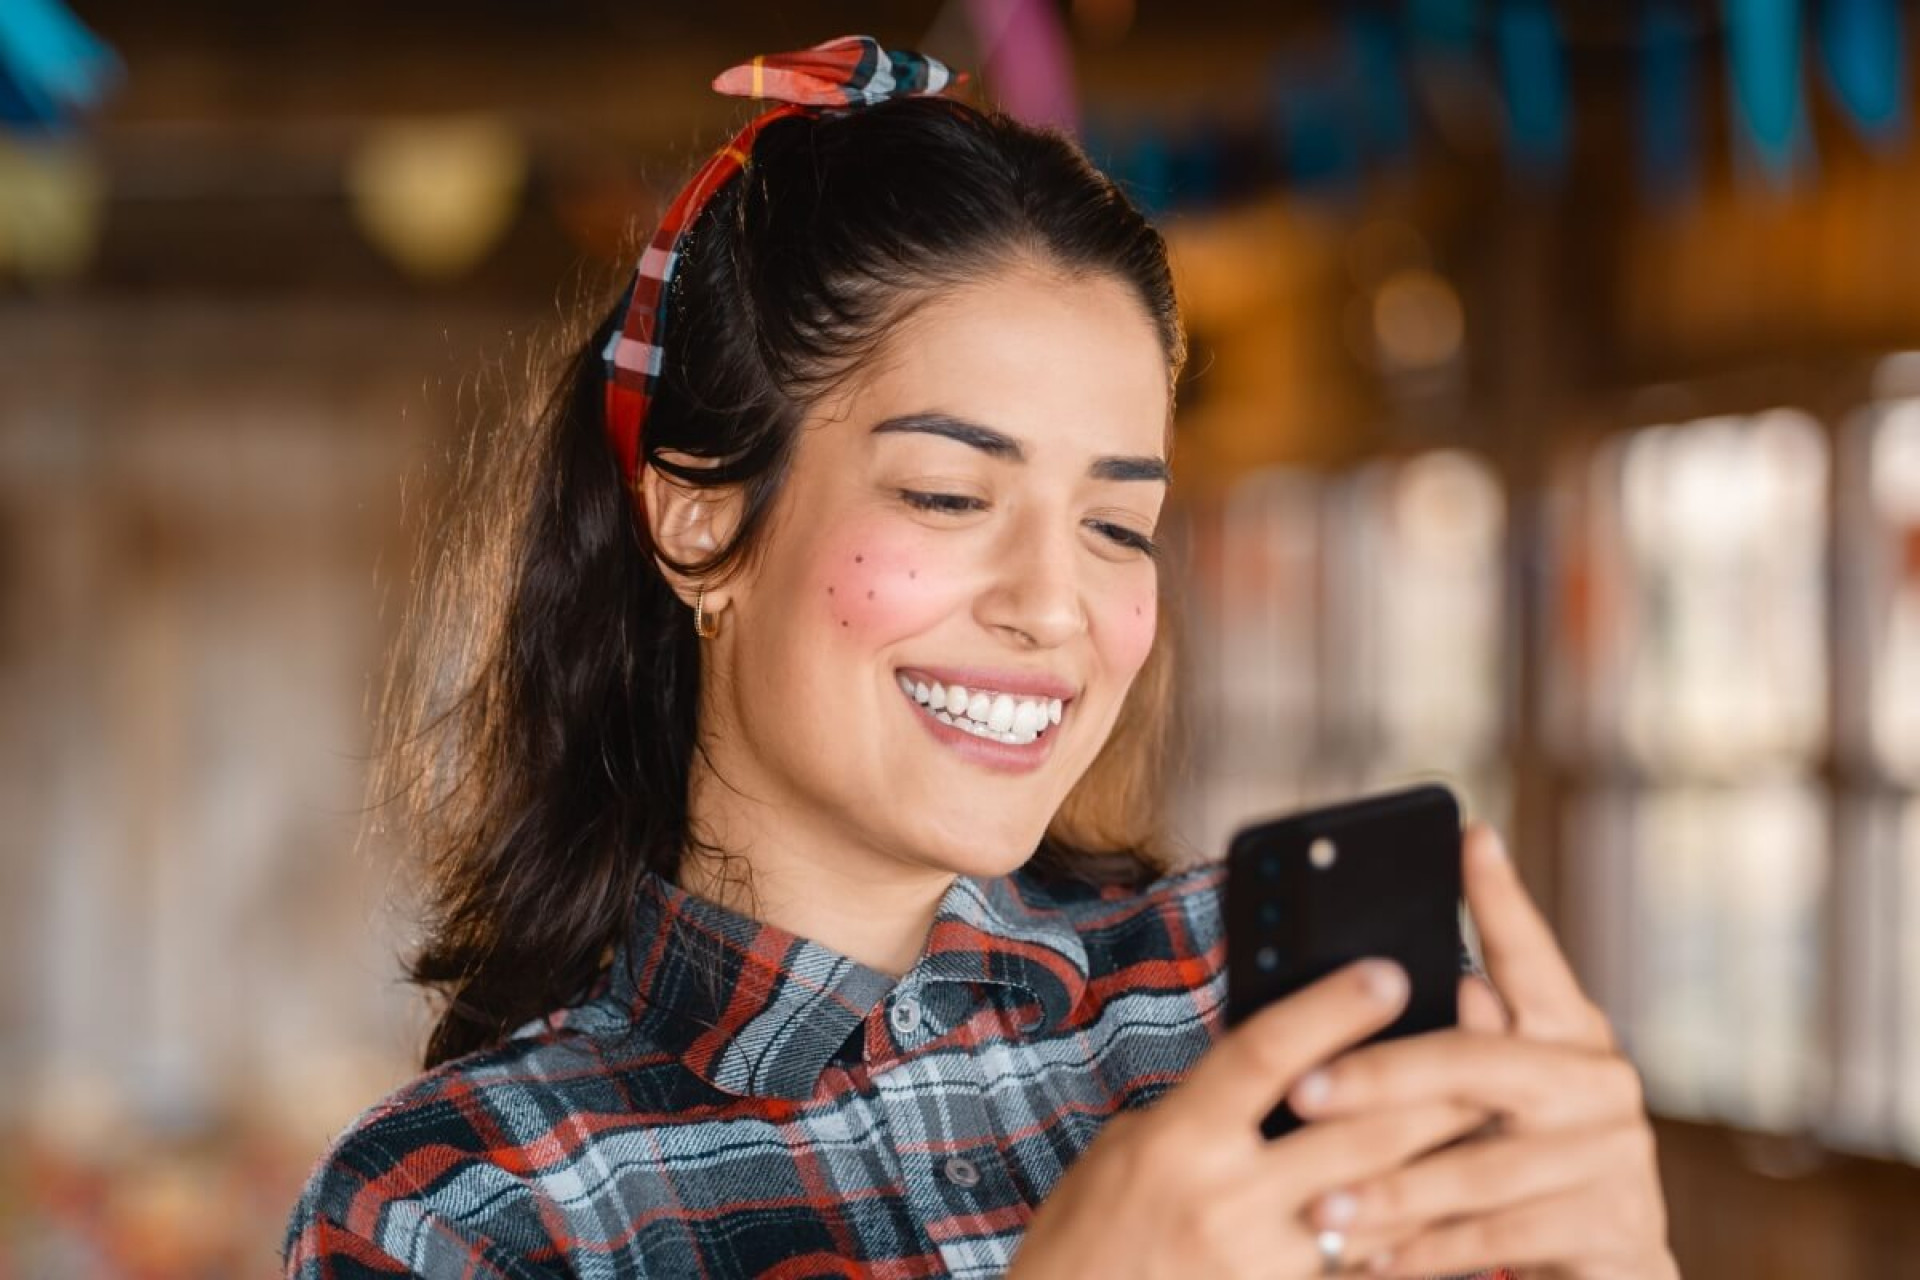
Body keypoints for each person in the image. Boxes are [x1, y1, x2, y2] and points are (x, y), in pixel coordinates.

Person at [283, 36, 1675, 1280]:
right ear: (699, 517)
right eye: (949, 497)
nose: (1053, 605)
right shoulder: (466, 1209)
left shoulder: (1269, 1016)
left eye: (1119, 524)